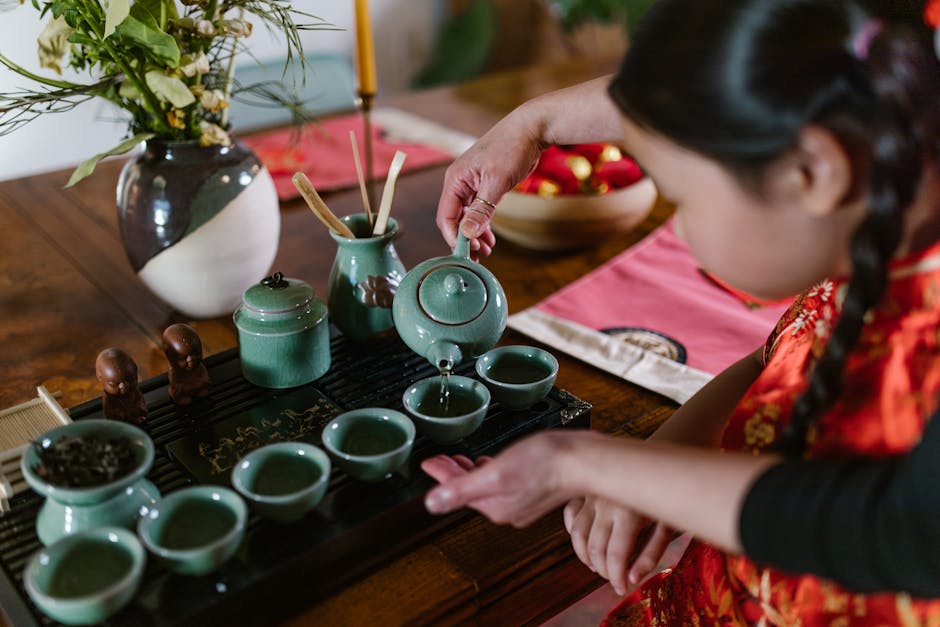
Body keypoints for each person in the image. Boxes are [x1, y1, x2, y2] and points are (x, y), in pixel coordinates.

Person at [423, 0, 940, 622]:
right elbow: (780, 355)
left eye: (682, 200)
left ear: (812, 171)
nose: (682, 235)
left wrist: (596, 464)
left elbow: (896, 529)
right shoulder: (892, 180)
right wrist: (535, 122)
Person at [163, 323, 211, 405]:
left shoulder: (198, 366)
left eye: (196, 354)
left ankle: (199, 390)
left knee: (203, 391)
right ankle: (182, 396)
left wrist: (203, 379)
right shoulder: (174, 371)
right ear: (169, 356)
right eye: (182, 358)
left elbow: (203, 373)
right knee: (182, 396)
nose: (190, 360)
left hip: (197, 384)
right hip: (185, 388)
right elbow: (176, 383)